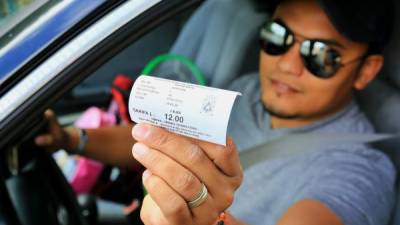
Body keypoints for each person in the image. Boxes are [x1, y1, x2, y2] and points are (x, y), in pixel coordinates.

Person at [131, 0, 396, 225]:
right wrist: (87, 138)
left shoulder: (360, 170)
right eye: (278, 37)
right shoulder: (249, 89)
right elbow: (159, 136)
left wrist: (210, 219)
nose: (287, 64)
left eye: (322, 55)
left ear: (366, 71)